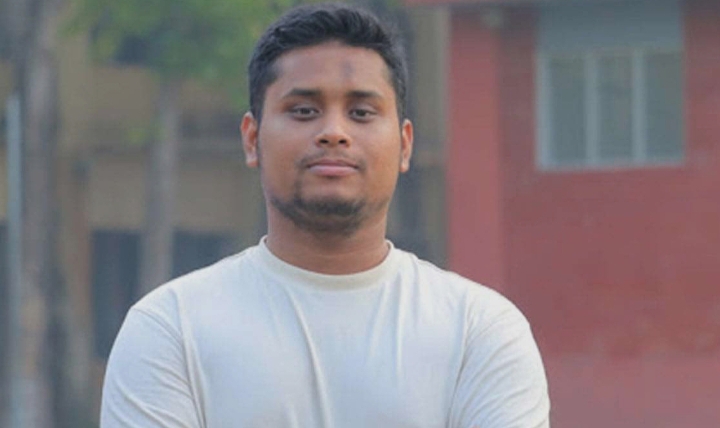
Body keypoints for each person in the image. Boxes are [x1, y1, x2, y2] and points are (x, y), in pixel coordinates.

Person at [100, 3, 550, 427]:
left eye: (361, 112)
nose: (334, 132)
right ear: (252, 139)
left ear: (405, 144)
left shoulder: (479, 331)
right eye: (304, 111)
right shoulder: (172, 329)